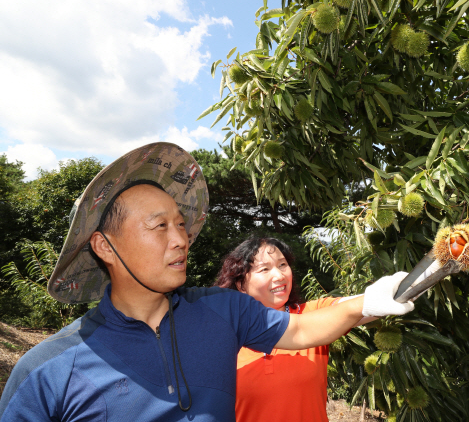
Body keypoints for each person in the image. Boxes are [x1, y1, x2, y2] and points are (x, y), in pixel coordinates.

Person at [0, 142, 414, 422]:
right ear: (104, 246)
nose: (181, 239)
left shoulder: (221, 311)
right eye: (159, 226)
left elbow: (304, 327)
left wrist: (368, 303)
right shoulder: (47, 371)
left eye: (181, 224)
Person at [215, 237, 395, 422]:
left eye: (283, 265)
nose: (279, 275)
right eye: (265, 269)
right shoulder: (224, 334)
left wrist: (407, 285)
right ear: (241, 285)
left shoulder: (311, 314)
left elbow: (364, 305)